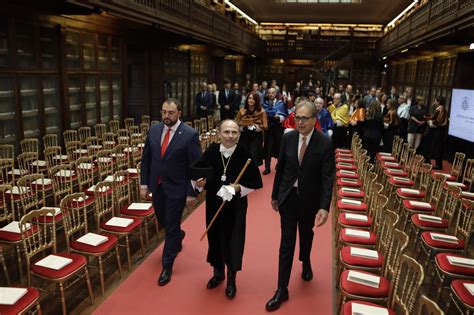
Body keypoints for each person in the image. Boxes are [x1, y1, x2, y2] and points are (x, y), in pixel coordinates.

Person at [265, 100, 335, 312]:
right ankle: (281, 288)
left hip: (309, 200)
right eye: (297, 117)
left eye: (305, 118)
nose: (300, 122)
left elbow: (327, 177)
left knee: (306, 234)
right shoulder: (288, 137)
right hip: (288, 197)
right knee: (286, 242)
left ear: (314, 120)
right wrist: (275, 195)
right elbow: (282, 168)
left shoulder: (324, 142)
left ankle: (305, 260)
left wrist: (324, 207)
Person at [193, 120, 263, 299]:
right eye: (226, 132)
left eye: (234, 132)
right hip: (214, 203)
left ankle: (232, 278)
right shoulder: (211, 152)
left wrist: (237, 188)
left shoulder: (245, 154)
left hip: (236, 206)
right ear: (219, 133)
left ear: (238, 134)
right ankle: (218, 273)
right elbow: (199, 175)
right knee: (215, 236)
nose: (230, 136)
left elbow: (256, 182)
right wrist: (200, 183)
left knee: (234, 240)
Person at [140, 98, 201, 286]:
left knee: (171, 224)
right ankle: (177, 236)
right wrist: (144, 184)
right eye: (164, 112)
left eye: (171, 113)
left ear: (179, 113)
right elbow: (147, 159)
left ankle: (167, 265)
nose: (166, 116)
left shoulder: (189, 134)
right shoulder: (154, 130)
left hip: (177, 187)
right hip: (157, 186)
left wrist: (192, 191)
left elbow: (195, 165)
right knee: (162, 219)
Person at [235, 92, 268, 166]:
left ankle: (253, 175)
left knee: (253, 157)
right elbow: (236, 123)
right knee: (242, 156)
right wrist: (242, 127)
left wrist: (255, 127)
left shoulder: (261, 112)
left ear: (256, 100)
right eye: (249, 98)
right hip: (244, 136)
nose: (251, 100)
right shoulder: (242, 111)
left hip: (256, 136)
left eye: (253, 98)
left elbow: (265, 126)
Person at [262, 87, 288, 175]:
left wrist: (278, 117)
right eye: (269, 93)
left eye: (272, 93)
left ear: (276, 94)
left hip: (278, 128)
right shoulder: (264, 104)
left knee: (279, 146)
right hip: (268, 128)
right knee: (267, 147)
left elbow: (284, 114)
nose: (271, 94)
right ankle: (267, 167)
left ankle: (279, 164)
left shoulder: (281, 103)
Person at [427, 96, 448, 169]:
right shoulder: (439, 109)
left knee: (438, 147)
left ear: (438, 102)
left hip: (439, 130)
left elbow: (438, 121)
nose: (434, 102)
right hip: (437, 130)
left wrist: (430, 122)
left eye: (435, 101)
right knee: (436, 146)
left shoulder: (441, 109)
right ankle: (436, 163)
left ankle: (438, 165)